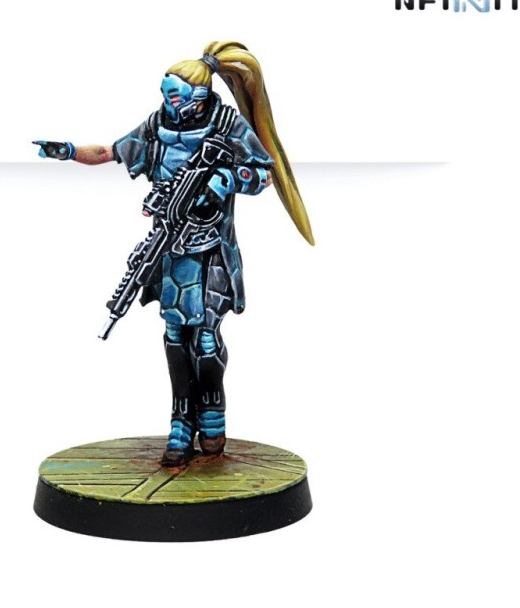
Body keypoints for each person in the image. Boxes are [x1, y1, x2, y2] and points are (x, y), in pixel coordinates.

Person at [35, 41, 313, 467]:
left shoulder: (226, 125)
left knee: (206, 338)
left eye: (178, 96)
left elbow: (262, 173)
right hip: (170, 247)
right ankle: (181, 420)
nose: (172, 104)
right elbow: (111, 151)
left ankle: (213, 415)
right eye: (167, 95)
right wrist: (68, 151)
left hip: (211, 249)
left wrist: (221, 182)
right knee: (175, 336)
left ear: (199, 95)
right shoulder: (157, 125)